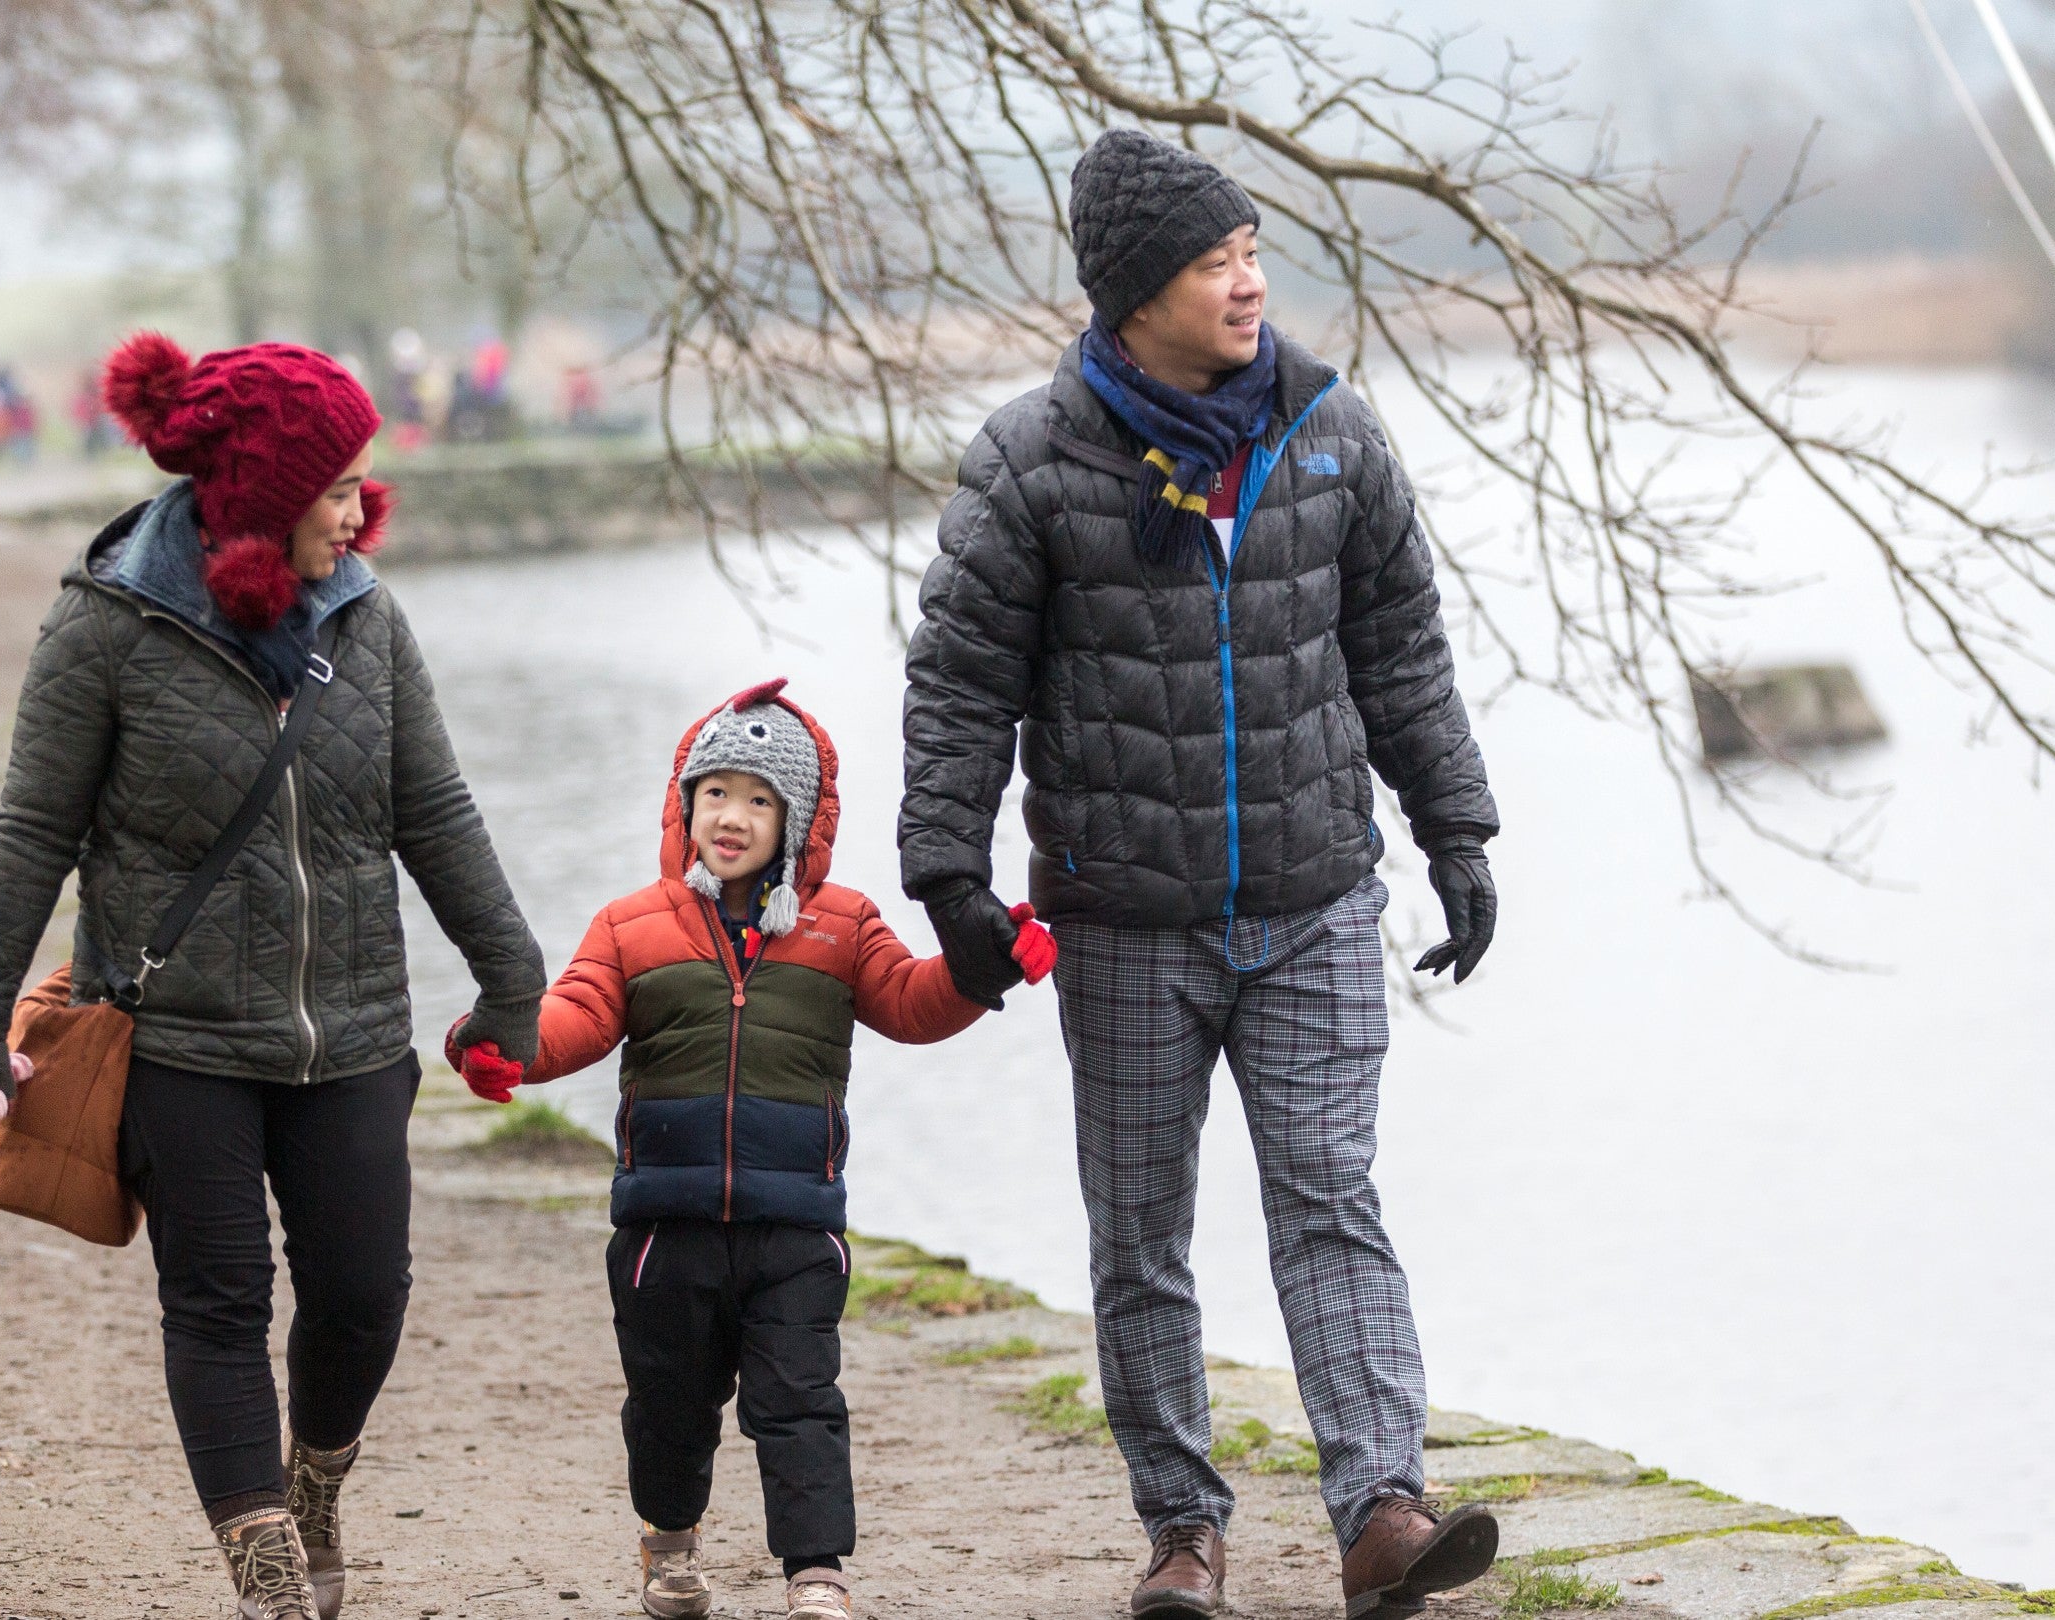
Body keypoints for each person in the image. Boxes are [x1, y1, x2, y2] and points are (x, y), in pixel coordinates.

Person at [898, 127, 1504, 1620]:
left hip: (1313, 902)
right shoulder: (1031, 460)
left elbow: (1404, 653)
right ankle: (1183, 1533)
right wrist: (950, 878)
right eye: (1214, 260)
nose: (1248, 282)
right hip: (1120, 924)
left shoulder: (1334, 434)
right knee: (1141, 1235)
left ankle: (1381, 1512)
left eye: (1250, 252)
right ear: (1133, 293)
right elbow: (961, 685)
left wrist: (1458, 831)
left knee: (1329, 1198)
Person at [0, 333, 547, 1620]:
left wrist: (510, 973)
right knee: (217, 1303)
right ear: (263, 490)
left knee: (365, 1293)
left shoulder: (367, 618)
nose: (359, 509)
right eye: (334, 487)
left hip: (355, 1035)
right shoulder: (103, 628)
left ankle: (315, 1482)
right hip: (177, 1038)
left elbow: (432, 807)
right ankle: (267, 1569)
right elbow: (32, 833)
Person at [454, 679, 1053, 1620]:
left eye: (760, 799)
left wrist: (983, 967)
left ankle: (816, 1572)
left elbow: (911, 1003)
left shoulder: (843, 925)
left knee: (800, 1401)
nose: (731, 817)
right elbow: (573, 1017)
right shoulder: (630, 925)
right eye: (715, 793)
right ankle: (670, 1540)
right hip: (666, 1229)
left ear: (801, 819)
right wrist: (506, 1044)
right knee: (669, 1406)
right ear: (683, 804)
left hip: (795, 1228)